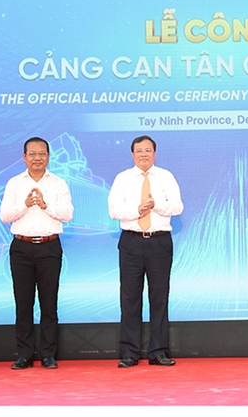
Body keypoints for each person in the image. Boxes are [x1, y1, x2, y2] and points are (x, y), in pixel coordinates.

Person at [0, 136, 74, 369]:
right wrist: (26, 204)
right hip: (21, 248)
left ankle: (48, 354)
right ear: (24, 157)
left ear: (49, 157)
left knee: (49, 303)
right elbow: (5, 216)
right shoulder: (14, 183)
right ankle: (24, 354)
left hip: (50, 247)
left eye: (42, 153)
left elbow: (68, 214)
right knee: (23, 304)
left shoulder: (58, 183)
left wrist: (44, 205)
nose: (37, 158)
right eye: (32, 154)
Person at [107, 135, 183, 366]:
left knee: (159, 297)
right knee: (130, 297)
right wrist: (138, 209)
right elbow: (114, 210)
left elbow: (178, 206)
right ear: (132, 154)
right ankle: (129, 353)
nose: (144, 155)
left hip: (159, 242)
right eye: (139, 151)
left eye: (148, 150)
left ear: (155, 154)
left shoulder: (166, 176)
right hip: (131, 242)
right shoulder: (122, 178)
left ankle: (158, 351)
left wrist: (155, 205)